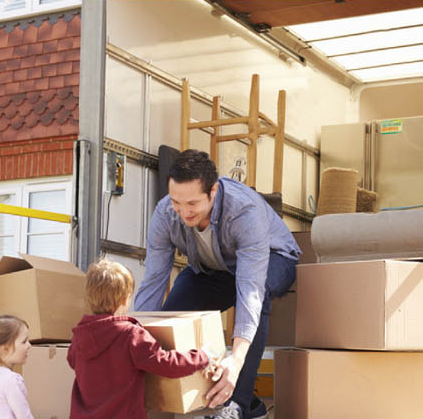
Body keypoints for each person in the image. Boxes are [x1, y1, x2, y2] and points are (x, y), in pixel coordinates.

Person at [134, 150, 301, 419]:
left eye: (192, 203)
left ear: (213, 190)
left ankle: (239, 405)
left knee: (260, 296)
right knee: (172, 313)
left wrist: (235, 361)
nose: (183, 211)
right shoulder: (166, 212)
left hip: (273, 259)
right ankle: (212, 396)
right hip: (214, 269)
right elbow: (153, 281)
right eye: (177, 201)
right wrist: (132, 341)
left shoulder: (244, 211)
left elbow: (250, 292)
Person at [67, 258, 214, 419]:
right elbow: (166, 364)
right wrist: (202, 356)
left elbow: (72, 361)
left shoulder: (79, 337)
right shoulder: (131, 335)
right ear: (125, 300)